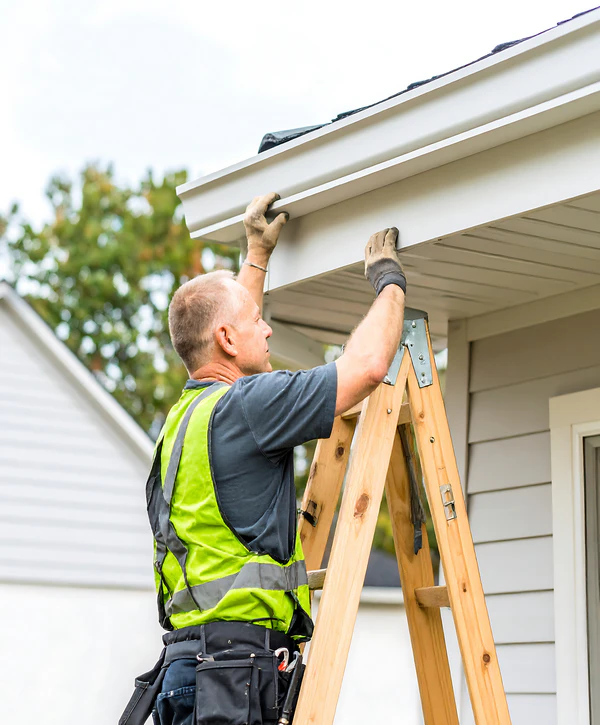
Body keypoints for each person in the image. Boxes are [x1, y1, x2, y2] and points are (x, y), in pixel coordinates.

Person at [119, 193, 406, 725]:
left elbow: (232, 343)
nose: (268, 327)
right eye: (257, 320)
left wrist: (256, 254)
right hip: (234, 679)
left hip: (190, 673)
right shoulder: (246, 409)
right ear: (227, 339)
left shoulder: (182, 424)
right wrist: (390, 282)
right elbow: (367, 366)